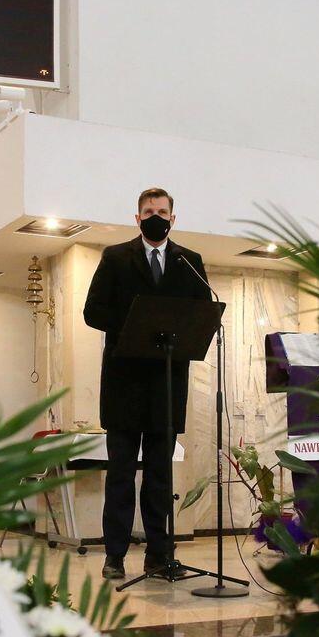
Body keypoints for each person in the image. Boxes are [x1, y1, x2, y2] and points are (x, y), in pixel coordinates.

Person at [83, 187, 211, 580]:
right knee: (121, 476)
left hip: (166, 388)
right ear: (137, 218)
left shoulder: (189, 261)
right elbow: (92, 311)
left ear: (173, 218)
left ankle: (159, 555)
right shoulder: (115, 257)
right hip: (124, 386)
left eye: (162, 212)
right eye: (149, 212)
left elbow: (202, 314)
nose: (156, 217)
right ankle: (114, 557)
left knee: (160, 479)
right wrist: (137, 322)